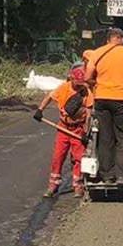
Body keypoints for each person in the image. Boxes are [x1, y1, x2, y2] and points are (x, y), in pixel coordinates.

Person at [84, 28, 123, 183]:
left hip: (101, 99)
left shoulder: (97, 53)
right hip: (120, 100)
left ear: (108, 39)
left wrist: (98, 84)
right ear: (120, 38)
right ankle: (122, 173)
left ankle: (107, 175)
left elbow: (87, 77)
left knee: (105, 138)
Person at [33, 64, 93, 197]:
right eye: (77, 84)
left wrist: (85, 132)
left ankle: (78, 185)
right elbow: (49, 96)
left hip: (78, 129)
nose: (79, 86)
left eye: (81, 84)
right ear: (71, 79)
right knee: (58, 156)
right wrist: (40, 110)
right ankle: (53, 185)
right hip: (63, 128)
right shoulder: (63, 88)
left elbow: (88, 114)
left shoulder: (86, 92)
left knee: (79, 158)